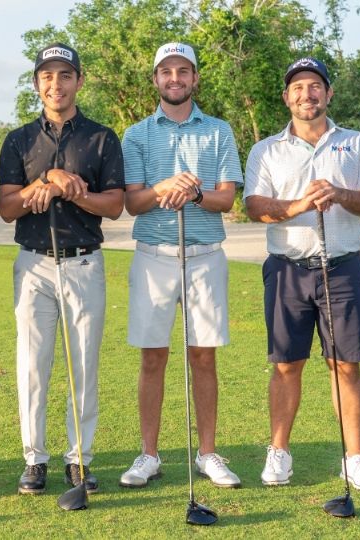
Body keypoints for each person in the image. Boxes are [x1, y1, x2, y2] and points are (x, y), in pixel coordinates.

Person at [243, 57, 360, 492]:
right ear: (287, 97)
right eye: (298, 88)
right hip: (287, 269)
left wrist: (339, 194)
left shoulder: (356, 142)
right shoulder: (265, 149)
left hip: (342, 267)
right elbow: (254, 207)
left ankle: (355, 458)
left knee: (345, 364)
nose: (307, 94)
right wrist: (299, 206)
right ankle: (279, 453)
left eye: (315, 86)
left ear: (329, 94)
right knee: (286, 365)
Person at [0, 43, 124, 495]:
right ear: (37, 83)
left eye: (65, 75)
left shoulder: (102, 137)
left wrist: (74, 193)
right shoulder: (18, 140)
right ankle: (35, 459)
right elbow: (8, 207)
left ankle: (80, 460)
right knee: (33, 365)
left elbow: (114, 205)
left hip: (84, 261)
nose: (56, 84)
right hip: (33, 264)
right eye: (47, 76)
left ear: (79, 81)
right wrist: (45, 180)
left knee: (83, 365)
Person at [117, 42, 243, 489]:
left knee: (203, 357)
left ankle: (207, 453)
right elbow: (132, 203)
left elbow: (227, 197)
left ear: (195, 78)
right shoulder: (135, 135)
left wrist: (193, 194)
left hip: (205, 256)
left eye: (183, 71)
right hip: (154, 256)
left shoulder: (218, 131)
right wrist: (163, 187)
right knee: (153, 358)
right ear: (155, 79)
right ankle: (148, 454)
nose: (175, 78)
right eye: (166, 71)